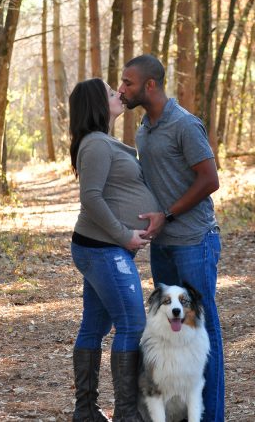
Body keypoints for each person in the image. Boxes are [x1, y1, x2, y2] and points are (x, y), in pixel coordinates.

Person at [118, 54, 225, 422]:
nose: (122, 88)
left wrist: (169, 214)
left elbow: (210, 180)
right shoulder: (143, 130)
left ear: (150, 85)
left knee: (202, 332)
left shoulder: (184, 124)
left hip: (195, 240)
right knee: (171, 330)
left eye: (128, 82)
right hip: (163, 244)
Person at [69, 78, 157, 422]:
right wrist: (124, 236)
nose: (118, 94)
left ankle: (86, 411)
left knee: (94, 326)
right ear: (97, 105)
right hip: (104, 250)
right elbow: (90, 198)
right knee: (133, 324)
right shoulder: (95, 145)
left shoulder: (103, 142)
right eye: (109, 93)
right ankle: (125, 414)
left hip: (102, 249)